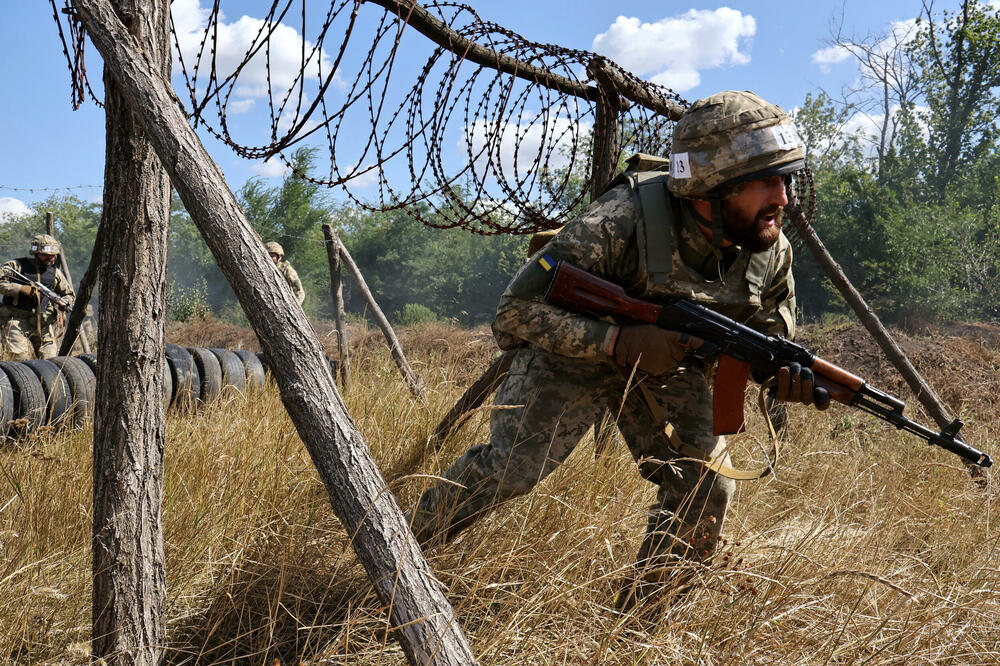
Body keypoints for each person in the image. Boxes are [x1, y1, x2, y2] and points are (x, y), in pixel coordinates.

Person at [409, 90, 829, 612]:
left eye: (786, 179)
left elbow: (767, 334)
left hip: (669, 362)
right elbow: (515, 310)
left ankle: (637, 624)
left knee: (708, 487)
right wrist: (616, 341)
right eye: (767, 181)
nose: (783, 198)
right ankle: (395, 558)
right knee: (511, 470)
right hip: (574, 349)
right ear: (712, 186)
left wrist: (781, 376)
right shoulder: (621, 219)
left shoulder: (770, 250)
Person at [0, 234, 76, 360]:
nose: (50, 258)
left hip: (44, 324)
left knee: (50, 363)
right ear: (36, 253)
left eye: (53, 255)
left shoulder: (55, 273)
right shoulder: (16, 266)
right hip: (16, 320)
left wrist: (64, 303)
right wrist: (21, 289)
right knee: (19, 361)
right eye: (46, 255)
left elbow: (68, 294)